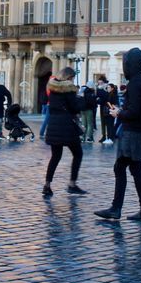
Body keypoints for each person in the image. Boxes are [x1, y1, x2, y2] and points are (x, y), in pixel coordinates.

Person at [95, 48, 141, 222]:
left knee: (121, 168)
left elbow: (134, 111)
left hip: (133, 132)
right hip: (138, 131)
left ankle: (117, 208)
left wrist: (118, 113)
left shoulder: (136, 83)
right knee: (135, 169)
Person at [42, 67, 87, 197]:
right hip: (67, 127)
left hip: (54, 126)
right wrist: (81, 99)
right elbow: (75, 107)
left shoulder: (53, 89)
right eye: (72, 78)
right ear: (69, 78)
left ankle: (47, 185)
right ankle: (72, 184)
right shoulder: (69, 90)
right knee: (78, 154)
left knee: (55, 157)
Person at [97, 79, 115, 145]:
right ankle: (105, 136)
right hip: (104, 109)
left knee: (109, 124)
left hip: (108, 110)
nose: (107, 88)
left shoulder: (108, 92)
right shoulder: (106, 92)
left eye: (101, 83)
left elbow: (108, 101)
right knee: (104, 124)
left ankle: (109, 137)